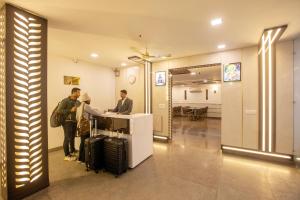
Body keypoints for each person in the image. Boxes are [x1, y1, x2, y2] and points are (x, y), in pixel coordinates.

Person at [76, 93, 103, 163]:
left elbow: (78, 116)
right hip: (86, 127)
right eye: (89, 100)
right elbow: (95, 112)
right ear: (87, 100)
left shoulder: (80, 105)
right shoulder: (86, 105)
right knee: (85, 142)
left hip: (80, 126)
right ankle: (83, 159)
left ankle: (80, 158)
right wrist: (102, 112)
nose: (90, 101)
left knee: (82, 142)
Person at [57, 88, 81, 161]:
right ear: (73, 93)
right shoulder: (65, 101)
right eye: (78, 92)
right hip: (67, 122)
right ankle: (67, 155)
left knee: (72, 137)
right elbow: (59, 111)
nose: (79, 94)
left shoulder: (78, 102)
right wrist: (70, 110)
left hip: (74, 121)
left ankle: (72, 151)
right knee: (67, 138)